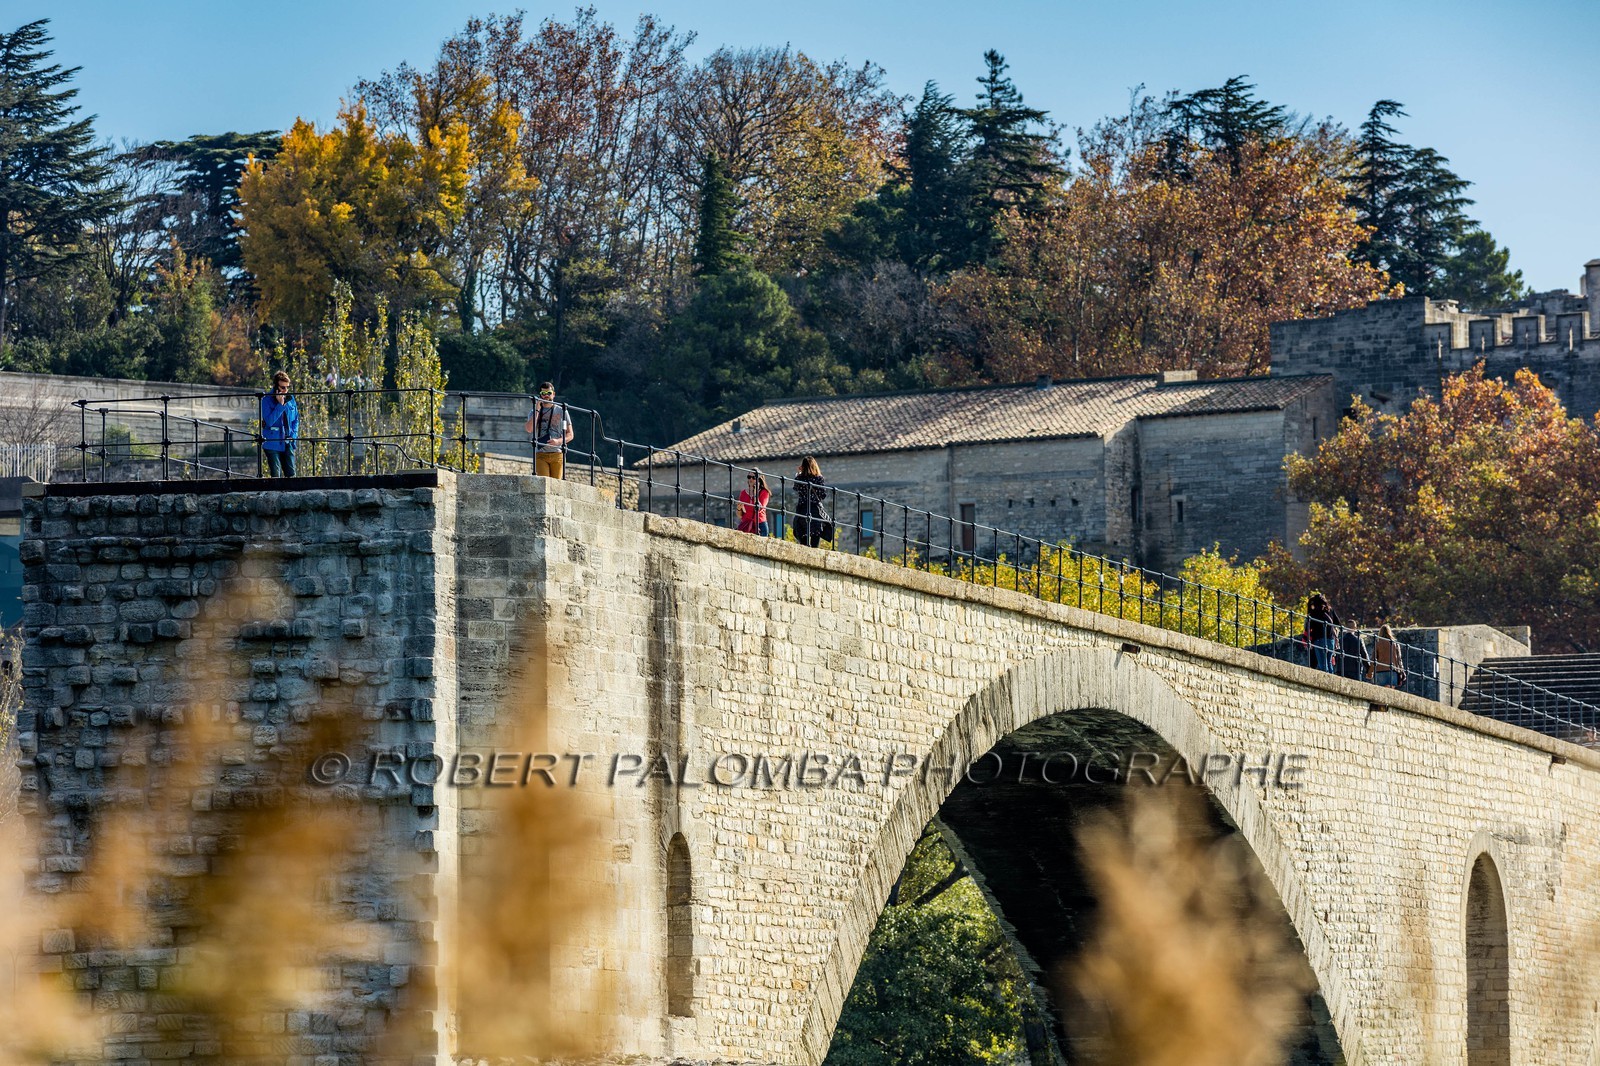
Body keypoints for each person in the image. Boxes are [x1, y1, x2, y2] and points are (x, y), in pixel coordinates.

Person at [524, 382, 573, 479]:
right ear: (540, 394)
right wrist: (537, 409)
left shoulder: (561, 411)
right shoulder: (534, 412)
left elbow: (570, 434)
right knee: (544, 482)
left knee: (556, 485)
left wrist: (558, 441)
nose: (546, 396)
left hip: (558, 453)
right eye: (543, 393)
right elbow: (529, 429)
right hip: (541, 453)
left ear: (553, 394)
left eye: (548, 393)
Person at [260, 370, 299, 478]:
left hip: (288, 441)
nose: (286, 390)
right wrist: (280, 405)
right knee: (276, 475)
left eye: (287, 387)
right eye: (283, 387)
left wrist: (293, 436)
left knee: (291, 474)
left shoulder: (291, 399)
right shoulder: (266, 400)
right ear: (276, 386)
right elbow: (269, 422)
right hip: (272, 442)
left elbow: (296, 420)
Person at [793, 456, 828, 548]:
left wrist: (799, 473)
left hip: (802, 509)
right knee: (815, 536)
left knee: (803, 536)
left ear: (803, 466)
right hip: (814, 509)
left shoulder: (799, 478)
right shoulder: (819, 478)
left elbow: (795, 488)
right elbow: (823, 495)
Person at [1368, 610, 1408, 690]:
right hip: (1392, 671)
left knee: (1381, 694)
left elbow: (1374, 659)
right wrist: (1402, 671)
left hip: (1380, 671)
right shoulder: (1395, 644)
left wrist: (1370, 673)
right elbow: (1399, 660)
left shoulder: (1378, 643)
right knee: (1390, 693)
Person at [1303, 593, 1340, 674]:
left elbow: (1309, 628)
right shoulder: (1330, 610)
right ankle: (1332, 679)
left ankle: (1327, 681)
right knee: (1329, 662)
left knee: (1322, 663)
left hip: (1319, 640)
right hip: (1331, 640)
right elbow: (1338, 623)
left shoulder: (1313, 613)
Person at [738, 471, 771, 536]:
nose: (751, 479)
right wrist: (739, 509)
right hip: (746, 525)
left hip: (760, 525)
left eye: (754, 477)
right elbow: (740, 515)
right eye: (749, 477)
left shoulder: (764, 492)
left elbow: (760, 508)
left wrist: (755, 493)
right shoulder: (743, 493)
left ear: (759, 480)